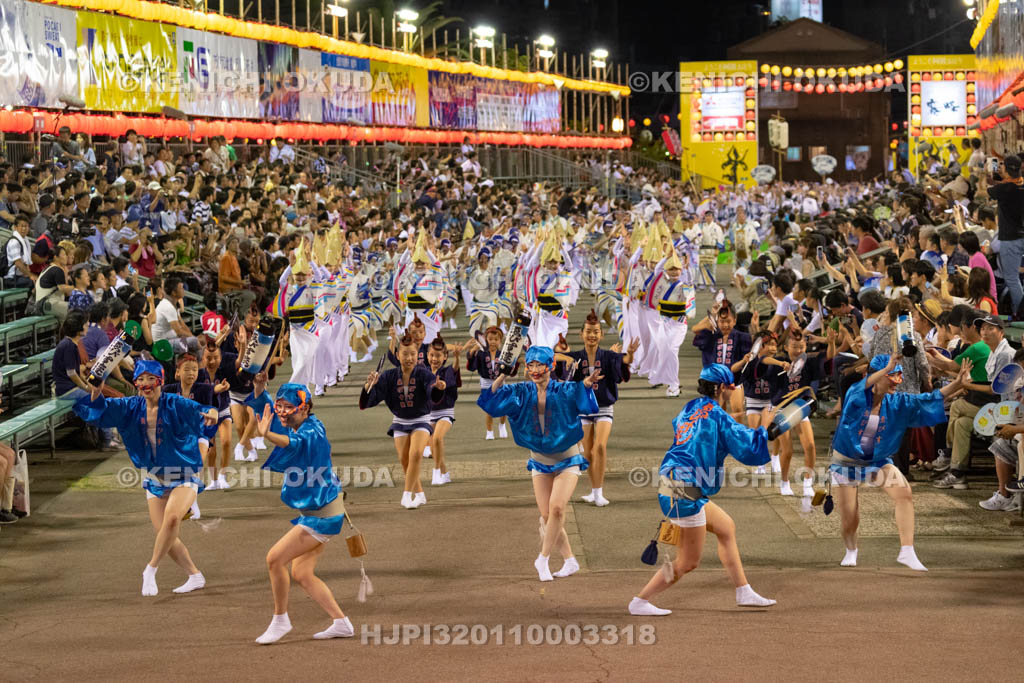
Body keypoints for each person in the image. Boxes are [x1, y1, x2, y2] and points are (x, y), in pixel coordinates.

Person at [627, 364, 778, 616]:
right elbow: (748, 448)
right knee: (688, 562)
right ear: (720, 387)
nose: (733, 391)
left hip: (675, 483)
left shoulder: (690, 407)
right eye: (731, 386)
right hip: (685, 492)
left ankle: (743, 591)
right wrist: (764, 428)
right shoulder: (718, 416)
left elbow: (686, 431)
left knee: (726, 527)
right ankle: (640, 601)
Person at [73, 360, 218, 596]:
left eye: (151, 378)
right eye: (141, 379)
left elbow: (200, 410)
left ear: (160, 379)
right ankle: (195, 575)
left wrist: (210, 412)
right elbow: (100, 410)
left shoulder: (174, 403)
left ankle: (150, 569)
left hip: (184, 474)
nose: (145, 384)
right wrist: (96, 389)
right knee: (165, 534)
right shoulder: (130, 406)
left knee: (171, 521)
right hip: (154, 478)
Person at [830, 354, 970, 571]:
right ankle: (851, 549)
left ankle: (907, 551)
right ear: (878, 376)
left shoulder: (897, 402)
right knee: (850, 519)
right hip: (846, 461)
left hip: (876, 460)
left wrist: (957, 384)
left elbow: (927, 400)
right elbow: (863, 386)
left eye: (899, 376)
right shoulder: (856, 395)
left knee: (904, 493)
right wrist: (887, 367)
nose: (898, 382)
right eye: (892, 376)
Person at [477, 345, 601, 582]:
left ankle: (542, 558)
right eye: (530, 365)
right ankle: (570, 560)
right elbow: (491, 401)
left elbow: (582, 398)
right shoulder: (521, 391)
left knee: (556, 509)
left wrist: (586, 384)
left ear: (550, 366)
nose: (534, 370)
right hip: (539, 461)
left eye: (539, 365)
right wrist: (503, 373)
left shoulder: (563, 389)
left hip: (567, 458)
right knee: (547, 517)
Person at [252, 383, 353, 644]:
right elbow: (275, 422)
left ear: (305, 407)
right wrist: (258, 389)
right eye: (280, 407)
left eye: (288, 408)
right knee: (302, 573)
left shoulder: (312, 431)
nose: (283, 413)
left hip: (322, 515)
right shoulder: (302, 423)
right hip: (322, 511)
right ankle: (341, 622)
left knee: (274, 559)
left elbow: (294, 443)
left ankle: (280, 620)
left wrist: (268, 436)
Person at [556, 311, 638, 507]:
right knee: (587, 453)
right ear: (581, 334)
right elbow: (552, 356)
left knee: (599, 446)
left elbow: (625, 361)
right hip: (583, 410)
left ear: (601, 335)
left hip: (604, 407)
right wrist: (566, 358)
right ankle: (593, 492)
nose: (592, 335)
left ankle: (599, 493)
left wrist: (631, 354)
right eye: (588, 332)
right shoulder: (576, 356)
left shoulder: (609, 356)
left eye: (595, 332)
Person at [360, 336, 437, 509]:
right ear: (397, 354)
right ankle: (420, 494)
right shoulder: (388, 376)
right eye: (405, 354)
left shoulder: (424, 373)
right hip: (400, 420)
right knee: (404, 459)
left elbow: (432, 388)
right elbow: (370, 400)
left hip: (421, 419)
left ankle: (406, 495)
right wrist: (368, 385)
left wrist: (437, 387)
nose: (409, 358)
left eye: (413, 354)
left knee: (415, 454)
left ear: (418, 355)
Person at [424, 336, 463, 486]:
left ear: (445, 356)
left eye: (438, 355)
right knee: (433, 447)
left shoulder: (446, 371)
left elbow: (454, 370)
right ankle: (445, 473)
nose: (434, 358)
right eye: (432, 355)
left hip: (445, 412)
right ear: (427, 355)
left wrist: (457, 358)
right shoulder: (424, 371)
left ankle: (435, 473)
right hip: (428, 415)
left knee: (437, 439)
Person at [466, 326, 512, 439]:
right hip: (486, 382)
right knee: (489, 408)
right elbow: (471, 366)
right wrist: (473, 350)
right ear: (485, 340)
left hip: (500, 381)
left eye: (496, 340)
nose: (492, 342)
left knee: (503, 406)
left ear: (500, 341)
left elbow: (509, 369)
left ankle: (502, 425)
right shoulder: (481, 354)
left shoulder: (503, 354)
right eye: (490, 339)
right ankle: (489, 431)